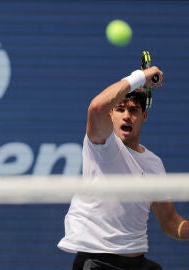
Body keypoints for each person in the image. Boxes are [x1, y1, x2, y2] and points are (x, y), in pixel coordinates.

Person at [57, 66, 189, 269]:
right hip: (98, 262)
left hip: (139, 262)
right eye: (120, 109)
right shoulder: (102, 146)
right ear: (111, 114)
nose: (126, 116)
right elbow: (96, 107)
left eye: (133, 110)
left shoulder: (154, 163)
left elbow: (170, 221)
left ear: (143, 116)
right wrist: (139, 77)